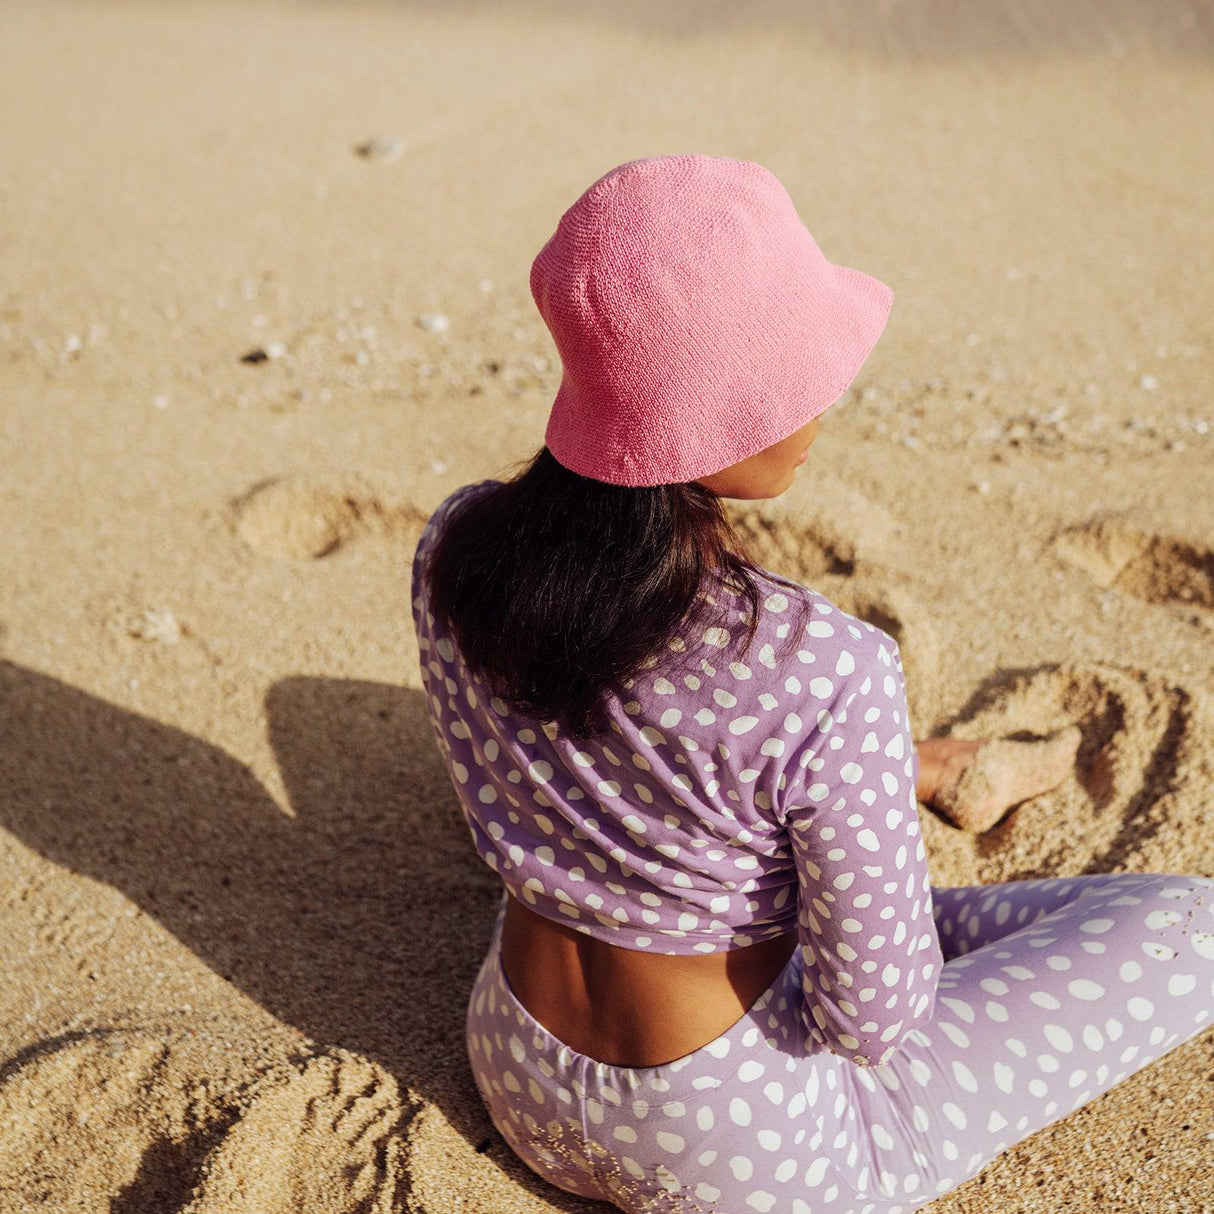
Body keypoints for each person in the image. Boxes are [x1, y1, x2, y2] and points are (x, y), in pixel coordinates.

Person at [410, 155, 1214, 1214]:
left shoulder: (459, 544)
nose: (825, 401)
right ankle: (874, 807)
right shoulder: (819, 664)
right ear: (721, 411)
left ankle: (878, 796)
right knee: (1186, 927)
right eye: (797, 375)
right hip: (729, 1145)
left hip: (515, 1058)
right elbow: (870, 1020)